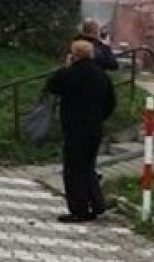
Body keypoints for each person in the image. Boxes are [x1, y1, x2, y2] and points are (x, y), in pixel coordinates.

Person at [45, 39, 116, 223]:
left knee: (73, 169)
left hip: (74, 127)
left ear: (75, 55)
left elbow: (52, 85)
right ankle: (97, 204)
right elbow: (111, 102)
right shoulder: (101, 75)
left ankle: (79, 210)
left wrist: (66, 67)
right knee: (88, 167)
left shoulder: (72, 73)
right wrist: (99, 117)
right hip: (94, 128)